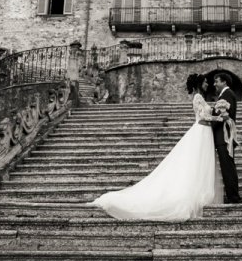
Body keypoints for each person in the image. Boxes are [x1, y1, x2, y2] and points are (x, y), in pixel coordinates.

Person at [90, 73, 223, 220]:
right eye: (205, 82)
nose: (207, 84)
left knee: (200, 164)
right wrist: (220, 118)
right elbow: (204, 117)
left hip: (205, 132)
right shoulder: (198, 97)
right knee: (197, 163)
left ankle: (201, 192)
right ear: (199, 84)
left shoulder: (201, 97)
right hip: (201, 131)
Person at [212, 72, 241, 204]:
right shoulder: (225, 95)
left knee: (227, 167)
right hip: (224, 137)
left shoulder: (227, 94)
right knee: (227, 167)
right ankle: (232, 195)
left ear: (224, 82)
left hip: (224, 138)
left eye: (216, 81)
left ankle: (233, 196)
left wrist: (207, 124)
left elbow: (223, 116)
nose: (214, 84)